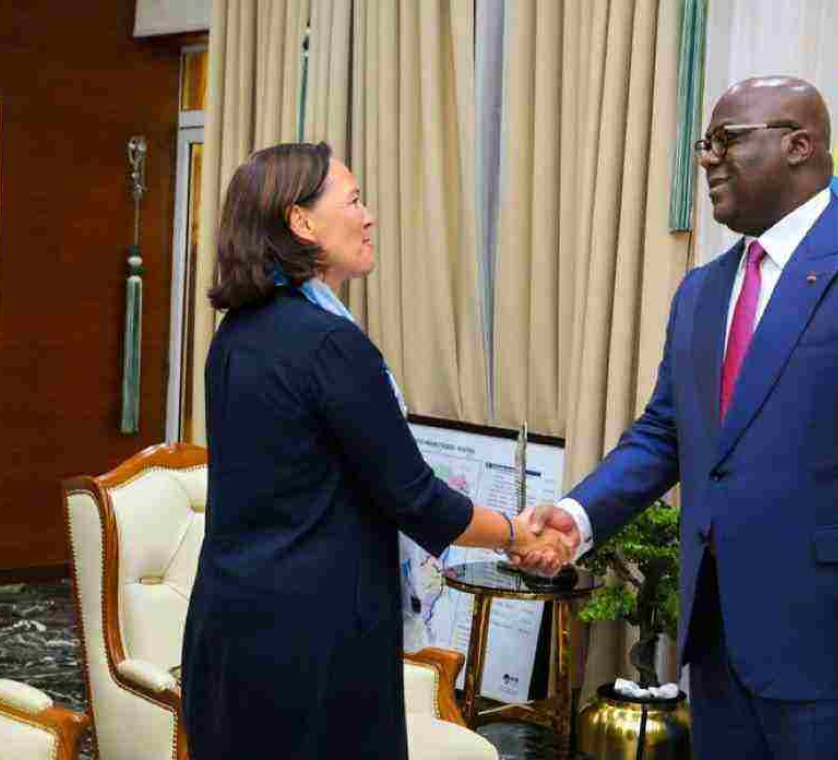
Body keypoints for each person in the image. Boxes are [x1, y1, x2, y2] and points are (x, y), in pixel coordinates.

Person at [521, 77, 838, 759]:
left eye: (727, 141)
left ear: (799, 146)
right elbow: (663, 434)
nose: (707, 159)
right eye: (704, 144)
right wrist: (579, 515)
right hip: (718, 646)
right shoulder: (702, 291)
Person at [180, 141, 572, 759]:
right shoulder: (330, 345)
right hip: (315, 640)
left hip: (232, 625)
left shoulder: (236, 335)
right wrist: (517, 534)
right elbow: (415, 498)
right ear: (301, 221)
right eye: (354, 200)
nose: (368, 216)